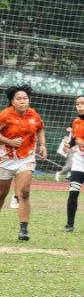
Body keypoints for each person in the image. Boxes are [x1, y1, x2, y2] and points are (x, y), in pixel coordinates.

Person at [0, 84, 47, 241]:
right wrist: (8, 141)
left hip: (26, 158)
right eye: (19, 99)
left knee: (24, 193)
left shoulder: (33, 114)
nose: (23, 101)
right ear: (12, 101)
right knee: (2, 193)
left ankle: (23, 229)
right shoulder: (5, 115)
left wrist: (42, 145)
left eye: (25, 98)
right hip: (5, 159)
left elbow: (40, 128)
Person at [62, 95, 84, 232]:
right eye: (78, 104)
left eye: (83, 103)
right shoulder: (75, 122)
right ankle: (69, 225)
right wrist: (68, 145)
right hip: (79, 162)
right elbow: (75, 140)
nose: (80, 106)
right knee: (73, 192)